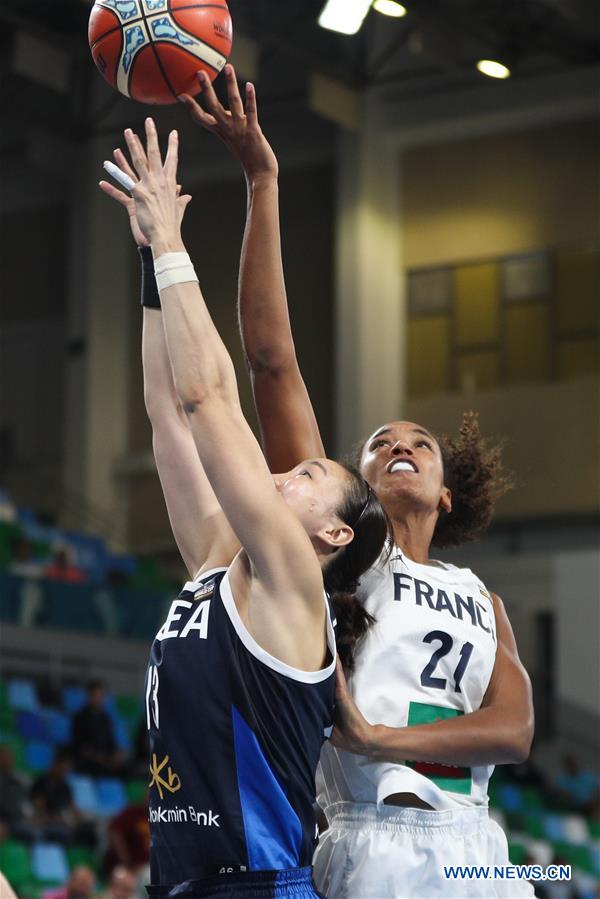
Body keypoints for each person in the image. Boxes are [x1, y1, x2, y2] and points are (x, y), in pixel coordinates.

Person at [179, 65, 535, 898]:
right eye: (380, 443)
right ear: (359, 484)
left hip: (480, 843)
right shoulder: (345, 549)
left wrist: (381, 736)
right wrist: (263, 180)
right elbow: (272, 360)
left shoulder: (481, 594)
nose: (401, 443)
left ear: (449, 493)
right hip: (370, 835)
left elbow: (516, 730)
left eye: (421, 443)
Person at [98, 119, 388, 897]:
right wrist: (147, 264)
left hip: (256, 885)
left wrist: (172, 242)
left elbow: (208, 395)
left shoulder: (296, 579)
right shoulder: (215, 563)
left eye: (307, 472)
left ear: (333, 532)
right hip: (183, 881)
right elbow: (167, 409)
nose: (282, 471)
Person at [71, 681, 125, 776]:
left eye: (101, 695)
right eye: (96, 695)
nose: (98, 698)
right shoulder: (80, 717)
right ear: (89, 696)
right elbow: (80, 745)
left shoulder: (106, 718)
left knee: (125, 768)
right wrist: (97, 756)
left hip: (105, 759)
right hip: (88, 760)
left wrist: (115, 754)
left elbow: (111, 742)